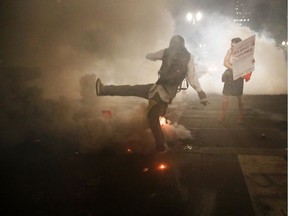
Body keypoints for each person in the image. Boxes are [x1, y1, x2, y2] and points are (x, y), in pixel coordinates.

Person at [95, 35, 208, 154]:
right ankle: (104, 90)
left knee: (148, 111)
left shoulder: (166, 52)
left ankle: (161, 146)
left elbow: (151, 56)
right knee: (141, 100)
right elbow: (192, 78)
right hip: (165, 92)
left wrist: (147, 54)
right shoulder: (189, 57)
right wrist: (201, 93)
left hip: (159, 91)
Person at [219, 37, 253, 124]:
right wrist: (235, 68)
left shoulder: (245, 52)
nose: (231, 47)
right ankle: (223, 116)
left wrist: (250, 64)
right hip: (230, 75)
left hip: (239, 76)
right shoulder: (230, 51)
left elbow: (250, 63)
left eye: (233, 46)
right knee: (225, 96)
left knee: (239, 97)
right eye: (231, 45)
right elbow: (225, 63)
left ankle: (241, 116)